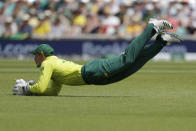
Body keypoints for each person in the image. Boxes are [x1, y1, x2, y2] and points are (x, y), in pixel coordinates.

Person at [13, 18, 182, 96]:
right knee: (132, 67)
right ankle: (161, 41)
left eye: (35, 55)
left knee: (128, 59)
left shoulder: (47, 64)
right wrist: (32, 85)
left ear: (42, 55)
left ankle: (152, 27)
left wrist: (28, 89)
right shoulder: (53, 66)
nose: (34, 58)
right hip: (94, 78)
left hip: (93, 70)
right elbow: (52, 90)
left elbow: (42, 88)